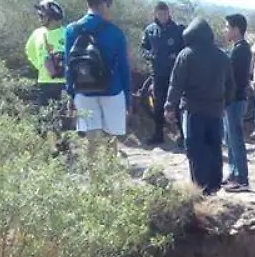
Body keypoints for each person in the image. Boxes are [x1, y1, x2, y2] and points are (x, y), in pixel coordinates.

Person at [165, 18, 234, 196]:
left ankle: (199, 187)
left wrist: (170, 106)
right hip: (216, 111)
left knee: (195, 149)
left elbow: (176, 83)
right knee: (214, 148)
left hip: (193, 110)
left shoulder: (186, 55)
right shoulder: (222, 56)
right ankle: (213, 187)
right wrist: (225, 103)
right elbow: (230, 85)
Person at [64, 0, 132, 160]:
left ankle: (93, 172)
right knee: (111, 138)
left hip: (83, 90)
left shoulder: (71, 30)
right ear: (103, 5)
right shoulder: (115, 32)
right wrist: (128, 99)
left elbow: (68, 65)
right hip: (112, 90)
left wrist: (70, 93)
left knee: (91, 138)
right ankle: (108, 169)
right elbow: (124, 67)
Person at [140, 2, 184, 145]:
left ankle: (182, 136)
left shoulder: (178, 30)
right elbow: (144, 48)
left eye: (165, 13)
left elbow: (184, 49)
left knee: (177, 104)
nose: (163, 16)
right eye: (160, 14)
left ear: (169, 13)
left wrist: (176, 55)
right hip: (157, 74)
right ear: (155, 14)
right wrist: (150, 55)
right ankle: (158, 135)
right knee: (158, 105)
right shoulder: (150, 30)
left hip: (174, 74)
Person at [223, 13, 251, 191]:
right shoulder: (238, 48)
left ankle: (242, 179)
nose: (225, 30)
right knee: (229, 139)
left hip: (235, 100)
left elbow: (234, 79)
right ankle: (233, 173)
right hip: (231, 100)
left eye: (227, 27)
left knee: (236, 140)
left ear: (236, 29)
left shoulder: (241, 50)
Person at [26, 2, 67, 112]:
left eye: (42, 16)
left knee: (64, 114)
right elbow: (29, 51)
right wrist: (40, 66)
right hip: (44, 82)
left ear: (52, 17)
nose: (39, 18)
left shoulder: (66, 33)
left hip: (63, 83)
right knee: (45, 115)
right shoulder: (37, 34)